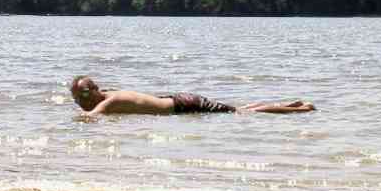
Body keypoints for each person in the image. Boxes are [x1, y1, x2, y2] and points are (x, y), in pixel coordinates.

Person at [70, 75, 315, 116]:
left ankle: (300, 110)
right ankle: (289, 104)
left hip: (184, 105)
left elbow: (91, 118)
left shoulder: (110, 101)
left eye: (79, 97)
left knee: (242, 114)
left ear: (92, 92)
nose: (78, 102)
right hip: (181, 100)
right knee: (238, 110)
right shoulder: (110, 94)